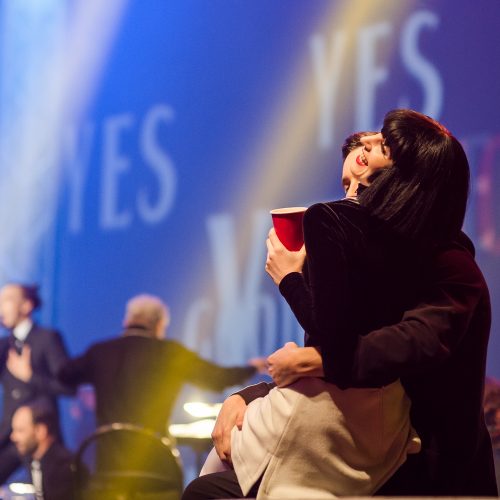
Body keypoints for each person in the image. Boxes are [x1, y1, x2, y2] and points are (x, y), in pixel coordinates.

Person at [183, 110, 497, 498]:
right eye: (347, 187)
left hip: (429, 477)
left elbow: (403, 344)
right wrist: (247, 395)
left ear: (406, 184)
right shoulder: (381, 260)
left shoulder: (451, 268)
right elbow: (332, 359)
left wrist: (293, 287)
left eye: (364, 186)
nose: (351, 197)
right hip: (363, 463)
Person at [58, 293, 265, 438]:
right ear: (159, 325)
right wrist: (252, 367)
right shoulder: (170, 353)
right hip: (153, 461)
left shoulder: (99, 352)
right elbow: (218, 378)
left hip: (107, 460)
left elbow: (64, 374)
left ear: (127, 320)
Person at [0, 283, 73, 485]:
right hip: (10, 436)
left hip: (40, 437)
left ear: (26, 305)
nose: (1, 307)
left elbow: (68, 387)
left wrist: (30, 376)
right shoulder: (4, 345)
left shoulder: (47, 338)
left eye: (6, 300)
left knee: (51, 489)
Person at [10, 400, 77, 500]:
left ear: (40, 431)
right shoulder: (32, 460)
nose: (13, 437)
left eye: (20, 430)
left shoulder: (64, 466)